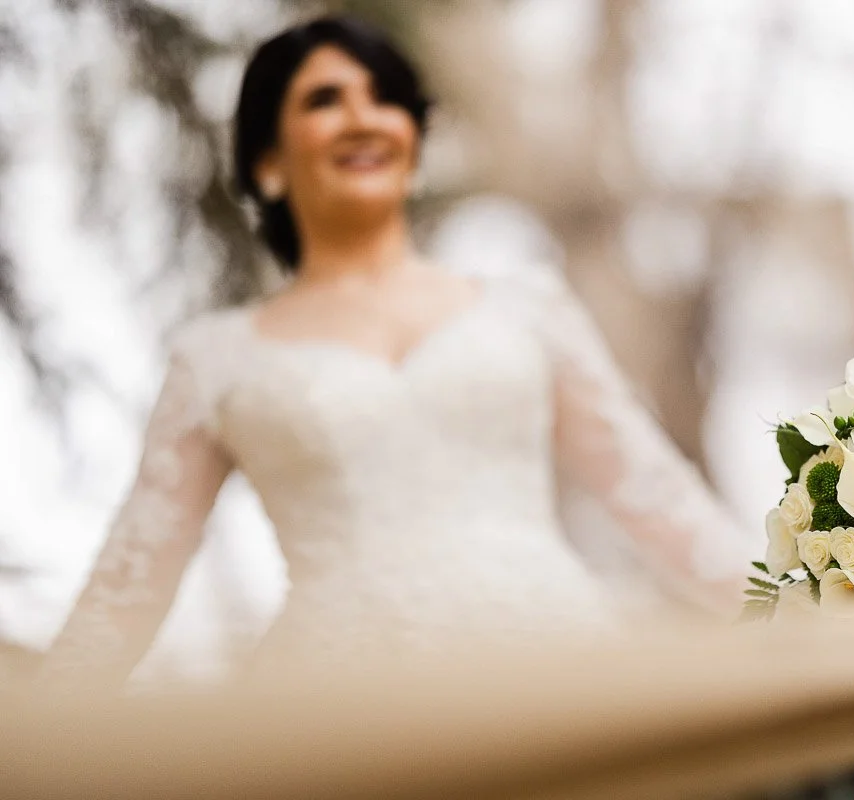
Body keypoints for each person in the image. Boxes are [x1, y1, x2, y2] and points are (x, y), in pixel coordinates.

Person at [36, 15, 755, 690]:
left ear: (414, 138)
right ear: (269, 163)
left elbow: (659, 498)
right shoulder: (215, 359)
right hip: (344, 703)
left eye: (386, 98)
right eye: (325, 99)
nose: (362, 117)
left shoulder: (530, 309)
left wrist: (804, 616)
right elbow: (128, 588)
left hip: (560, 671)